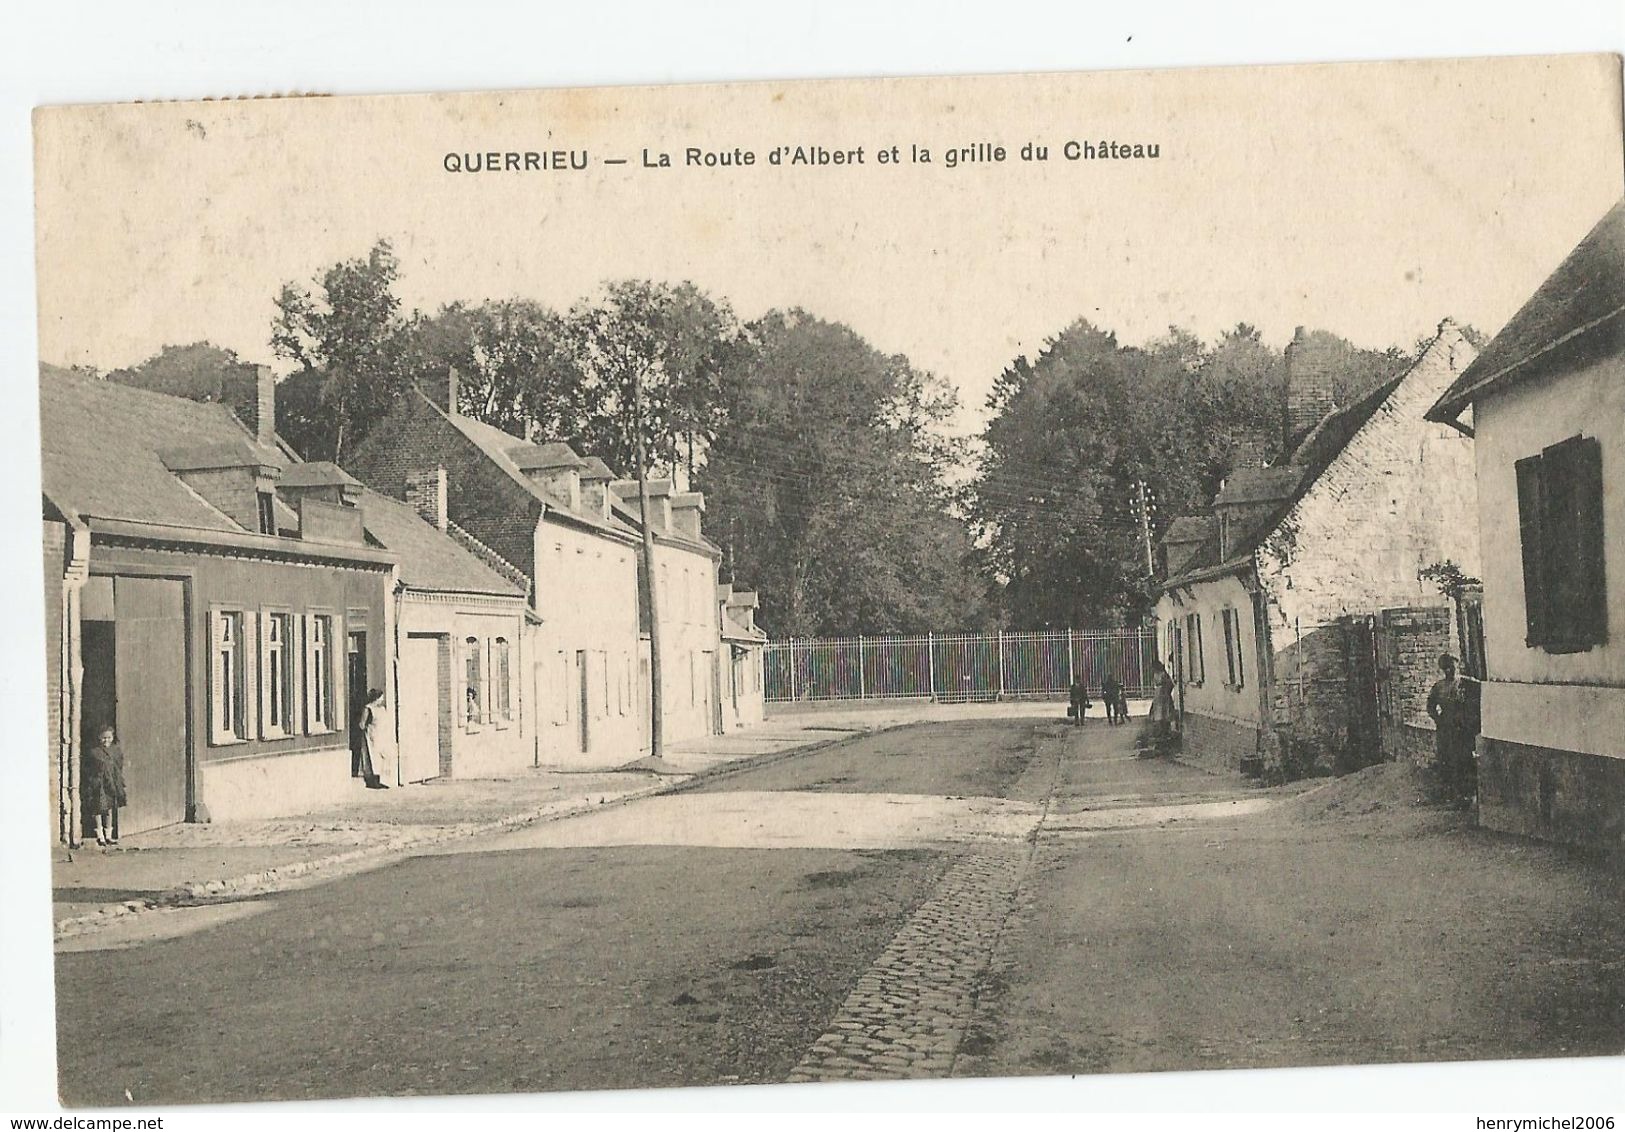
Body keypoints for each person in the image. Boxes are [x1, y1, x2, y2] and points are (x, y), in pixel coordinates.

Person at [1427, 653, 1480, 805]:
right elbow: (1430, 706)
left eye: (1453, 667)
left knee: (1465, 760)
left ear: (1458, 665)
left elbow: (1480, 693)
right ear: (1444, 670)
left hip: (1462, 730)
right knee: (1447, 760)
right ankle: (1451, 794)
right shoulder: (1439, 687)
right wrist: (1438, 720)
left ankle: (1467, 795)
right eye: (1447, 668)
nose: (1451, 670)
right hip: (1446, 730)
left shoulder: (1466, 683)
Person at [82, 724, 128, 847]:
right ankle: (100, 835)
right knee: (98, 808)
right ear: (99, 738)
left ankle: (108, 835)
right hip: (99, 783)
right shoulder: (94, 752)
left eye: (108, 738)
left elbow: (119, 765)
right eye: (103, 738)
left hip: (111, 782)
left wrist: (117, 780)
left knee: (110, 808)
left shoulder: (116, 751)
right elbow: (89, 768)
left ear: (112, 738)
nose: (106, 740)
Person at [355, 689, 390, 789]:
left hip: (381, 735)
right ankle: (372, 781)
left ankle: (381, 780)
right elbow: (362, 724)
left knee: (381, 757)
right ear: (376, 698)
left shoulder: (382, 709)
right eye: (380, 698)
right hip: (370, 736)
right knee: (371, 757)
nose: (382, 700)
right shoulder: (368, 709)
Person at [1141, 660, 1176, 755]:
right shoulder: (1156, 674)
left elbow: (1171, 684)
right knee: (1158, 714)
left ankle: (1164, 736)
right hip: (1158, 695)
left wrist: (1165, 692)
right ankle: (1160, 736)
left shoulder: (1163, 674)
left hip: (1163, 695)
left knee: (1164, 713)